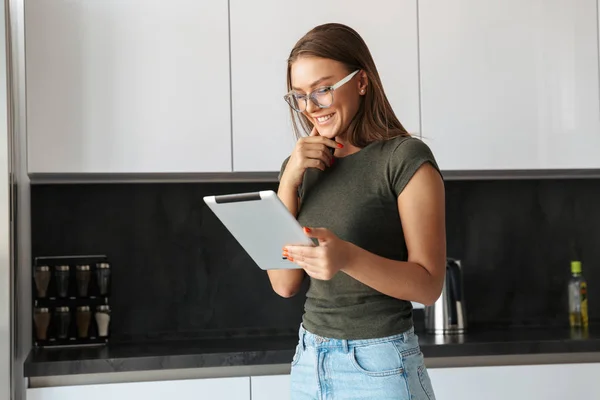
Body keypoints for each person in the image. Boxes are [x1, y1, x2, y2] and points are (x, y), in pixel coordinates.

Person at [269, 23, 446, 400]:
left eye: (323, 89)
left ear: (361, 82)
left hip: (380, 364)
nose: (310, 107)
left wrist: (346, 256)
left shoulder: (403, 159)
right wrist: (288, 181)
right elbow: (283, 284)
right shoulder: (299, 167)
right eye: (299, 95)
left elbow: (429, 286)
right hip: (309, 362)